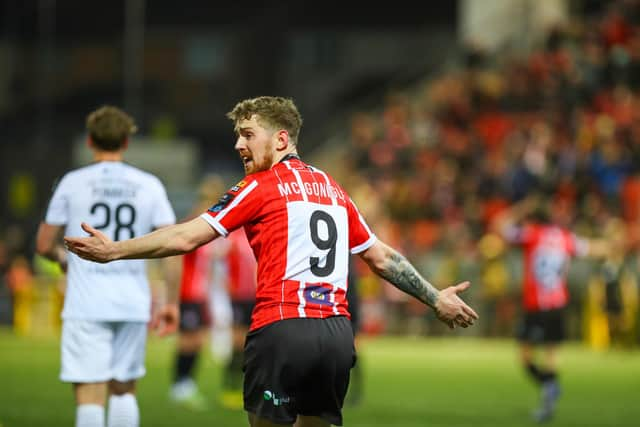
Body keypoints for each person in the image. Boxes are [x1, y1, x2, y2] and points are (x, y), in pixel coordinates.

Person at [64, 96, 479, 427]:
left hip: (282, 329)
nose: (238, 144)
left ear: (281, 139)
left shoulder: (260, 185)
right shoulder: (333, 189)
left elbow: (188, 235)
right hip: (336, 335)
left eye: (247, 134)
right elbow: (383, 258)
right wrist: (435, 298)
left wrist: (116, 250)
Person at [36, 105, 180, 427]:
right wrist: (171, 301)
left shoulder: (73, 182)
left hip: (87, 301)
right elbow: (172, 246)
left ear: (90, 141)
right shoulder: (149, 184)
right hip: (132, 300)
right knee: (124, 390)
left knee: (89, 393)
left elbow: (44, 245)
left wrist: (63, 260)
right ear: (126, 142)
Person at [495, 194, 608, 423]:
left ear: (533, 219)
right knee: (551, 354)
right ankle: (550, 392)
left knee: (526, 357)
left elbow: (499, 225)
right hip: (557, 304)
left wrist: (521, 206)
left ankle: (549, 388)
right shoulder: (566, 238)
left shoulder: (532, 235)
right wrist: (615, 244)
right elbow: (594, 248)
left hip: (537, 306)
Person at [169, 176, 225, 410]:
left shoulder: (209, 227)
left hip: (201, 294)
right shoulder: (192, 224)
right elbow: (176, 260)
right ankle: (180, 385)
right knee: (188, 341)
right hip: (188, 293)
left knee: (197, 340)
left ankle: (186, 384)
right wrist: (174, 294)